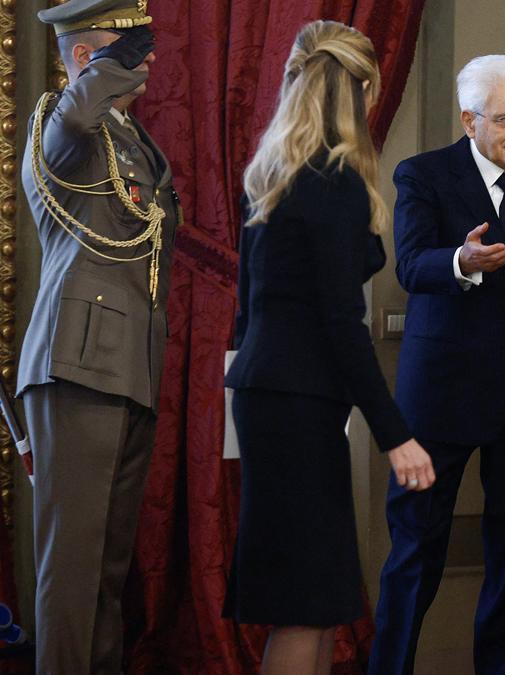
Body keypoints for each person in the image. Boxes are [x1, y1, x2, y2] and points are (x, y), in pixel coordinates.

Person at [223, 22, 433, 675]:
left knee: (318, 595)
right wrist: (396, 435)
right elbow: (342, 324)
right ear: (363, 90)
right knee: (305, 600)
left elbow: (248, 304)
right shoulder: (334, 180)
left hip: (270, 398)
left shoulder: (277, 173)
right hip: (300, 405)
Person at [371, 54, 505, 675]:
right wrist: (461, 262)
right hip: (443, 399)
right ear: (469, 120)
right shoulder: (423, 174)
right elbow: (408, 266)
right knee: (416, 556)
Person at [19, 1, 179, 671]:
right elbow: (76, 113)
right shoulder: (64, 128)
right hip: (77, 363)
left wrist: (111, 60)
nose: (144, 57)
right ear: (87, 60)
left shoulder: (126, 137)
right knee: (75, 572)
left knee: (107, 576)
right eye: (125, 44)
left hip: (127, 365)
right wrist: (102, 66)